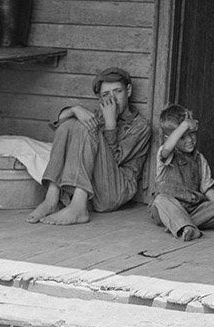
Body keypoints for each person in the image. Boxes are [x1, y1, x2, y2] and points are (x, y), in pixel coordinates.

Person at [27, 67, 151, 226]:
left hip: (115, 192)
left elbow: (116, 159)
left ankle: (78, 208)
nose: (112, 100)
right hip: (94, 192)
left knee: (87, 126)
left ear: (128, 90)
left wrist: (110, 124)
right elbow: (58, 124)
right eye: (106, 95)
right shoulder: (98, 116)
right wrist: (74, 109)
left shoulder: (141, 127)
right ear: (100, 99)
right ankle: (52, 197)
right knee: (69, 123)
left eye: (117, 91)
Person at [149, 104, 214, 241]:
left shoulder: (199, 159)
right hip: (167, 208)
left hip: (192, 208)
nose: (190, 140)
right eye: (182, 137)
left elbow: (207, 188)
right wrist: (185, 125)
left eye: (192, 134)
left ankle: (182, 225)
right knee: (160, 200)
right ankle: (183, 224)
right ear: (168, 138)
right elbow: (168, 148)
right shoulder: (166, 154)